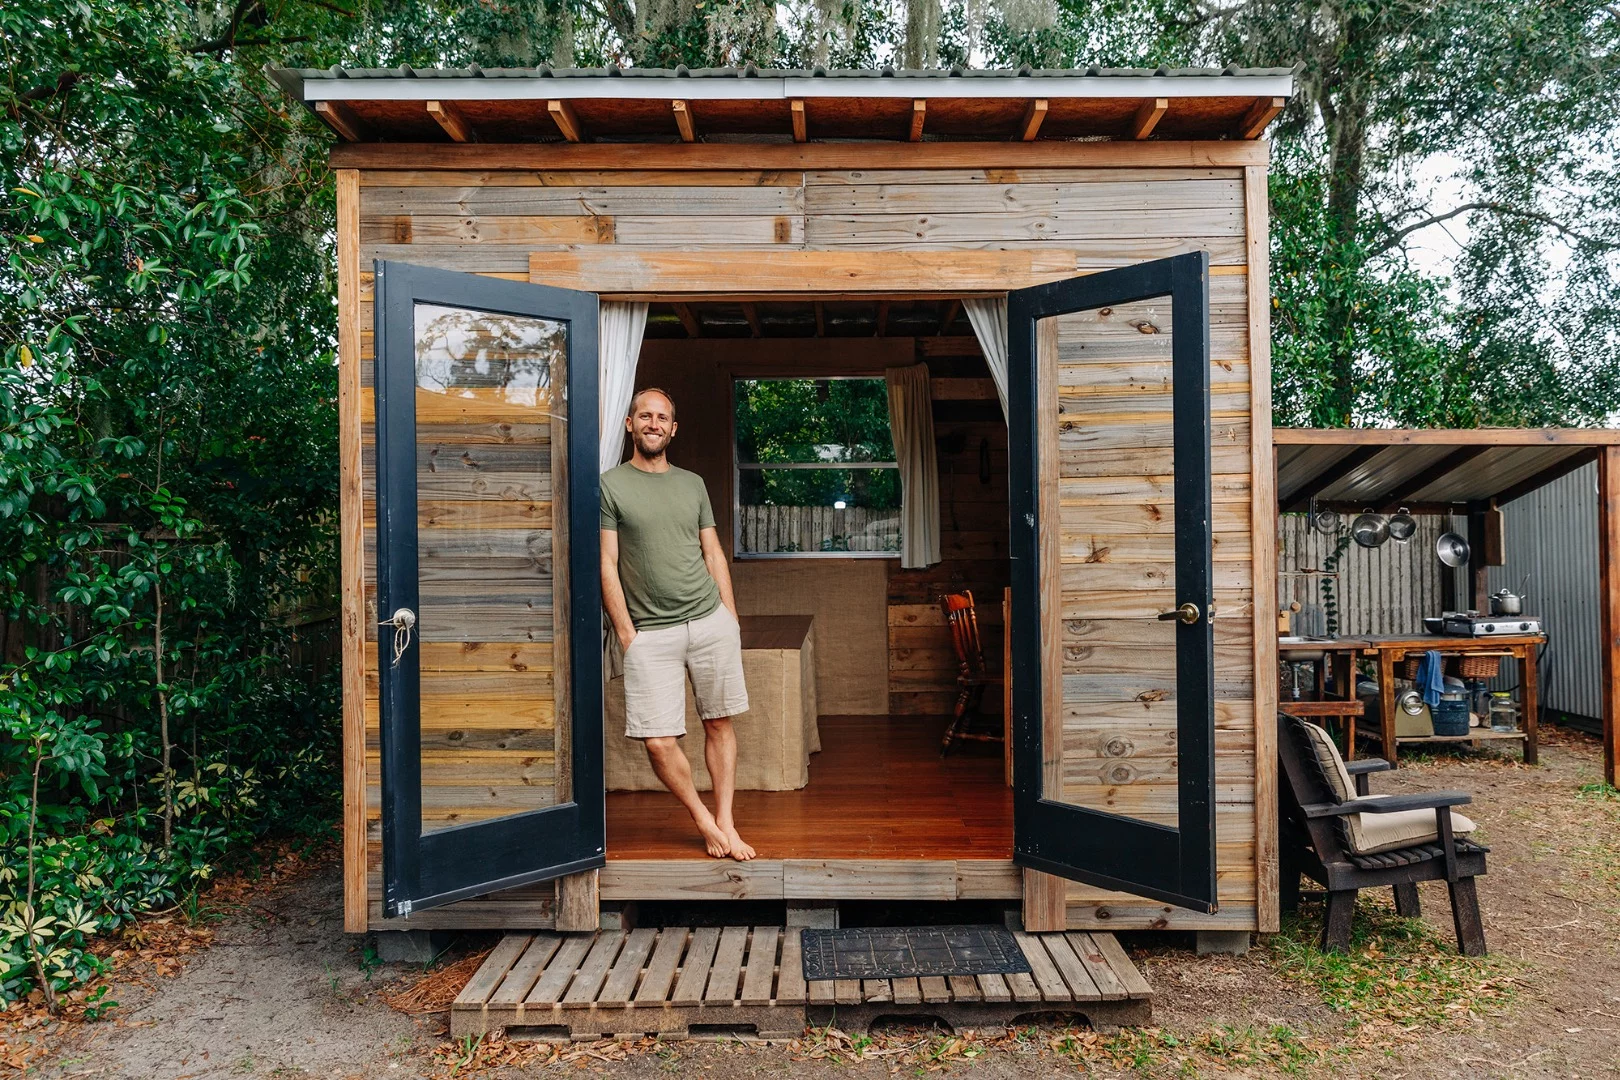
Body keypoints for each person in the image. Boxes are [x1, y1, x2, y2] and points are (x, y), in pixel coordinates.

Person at [600, 387, 755, 861]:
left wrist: (730, 617)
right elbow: (607, 564)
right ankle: (703, 819)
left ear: (673, 428)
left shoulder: (693, 484)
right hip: (651, 633)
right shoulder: (609, 485)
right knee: (659, 742)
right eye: (644, 416)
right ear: (630, 424)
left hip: (709, 620)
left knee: (719, 722)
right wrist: (628, 635)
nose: (653, 423)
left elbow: (712, 552)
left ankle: (726, 818)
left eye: (662, 417)